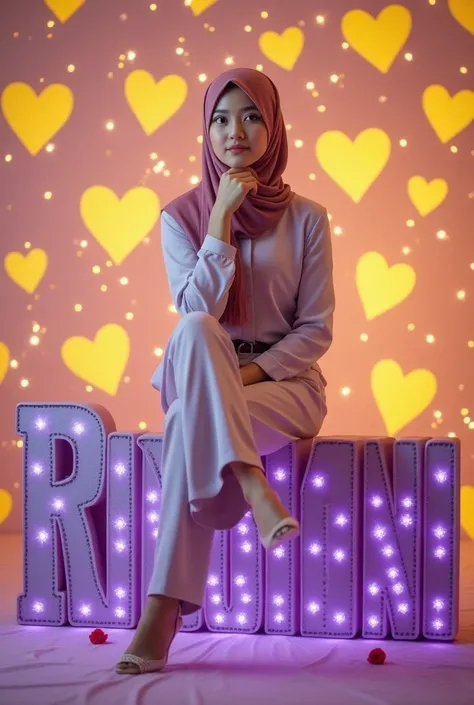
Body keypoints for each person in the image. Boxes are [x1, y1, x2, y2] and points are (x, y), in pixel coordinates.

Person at [115, 67, 335, 675]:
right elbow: (196, 311)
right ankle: (251, 482)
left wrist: (240, 378)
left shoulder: (309, 218)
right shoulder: (179, 217)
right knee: (193, 329)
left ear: (274, 126)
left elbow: (316, 329)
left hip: (284, 388)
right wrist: (219, 223)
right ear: (205, 130)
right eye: (219, 118)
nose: (233, 130)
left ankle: (160, 611)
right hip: (204, 363)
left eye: (250, 115)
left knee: (190, 416)